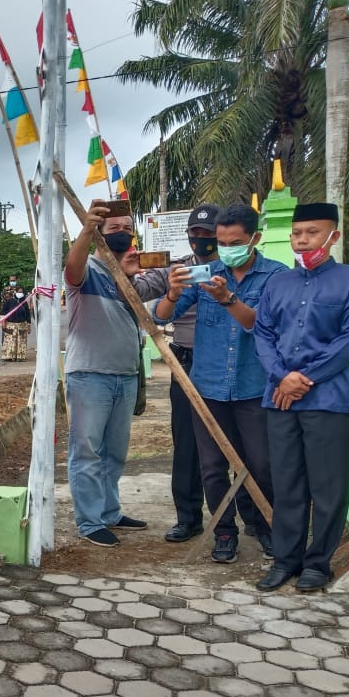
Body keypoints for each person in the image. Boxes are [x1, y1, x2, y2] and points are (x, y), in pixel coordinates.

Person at [253, 202, 349, 591]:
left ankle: (318, 563)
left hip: (328, 401)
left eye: (313, 232)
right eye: (297, 232)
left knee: (328, 486)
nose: (303, 240)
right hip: (280, 401)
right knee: (286, 483)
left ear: (333, 236)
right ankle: (286, 560)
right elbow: (263, 334)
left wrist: (303, 378)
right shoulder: (277, 284)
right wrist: (281, 377)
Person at [154, 205, 282, 564]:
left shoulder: (275, 277)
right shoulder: (204, 273)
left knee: (260, 464)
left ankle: (266, 525)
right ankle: (224, 532)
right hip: (207, 387)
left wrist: (227, 299)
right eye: (221, 242)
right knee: (212, 467)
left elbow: (263, 327)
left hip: (254, 386)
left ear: (255, 238)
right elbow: (160, 316)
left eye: (235, 242)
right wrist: (174, 293)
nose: (226, 248)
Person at [63, 200, 159, 547]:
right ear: (100, 233)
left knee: (116, 451)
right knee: (87, 451)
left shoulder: (130, 277)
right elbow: (71, 270)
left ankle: (109, 511)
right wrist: (87, 229)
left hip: (125, 375)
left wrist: (129, 275)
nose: (123, 234)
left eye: (128, 229)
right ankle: (89, 522)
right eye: (114, 229)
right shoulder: (86, 267)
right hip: (89, 375)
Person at [141, 206, 217, 543]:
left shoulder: (239, 270)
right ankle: (189, 517)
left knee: (241, 445)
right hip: (186, 364)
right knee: (186, 444)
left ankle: (248, 518)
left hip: (230, 367)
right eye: (194, 233)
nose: (200, 239)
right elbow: (149, 299)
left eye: (207, 233)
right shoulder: (180, 270)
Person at [1, 278, 31, 361]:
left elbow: (27, 314)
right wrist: (3, 323)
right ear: (15, 292)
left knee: (21, 342)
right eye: (18, 292)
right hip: (10, 325)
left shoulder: (24, 302)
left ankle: (20, 357)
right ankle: (9, 356)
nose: (20, 293)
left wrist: (28, 325)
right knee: (10, 341)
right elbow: (3, 313)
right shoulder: (10, 301)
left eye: (21, 292)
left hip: (21, 325)